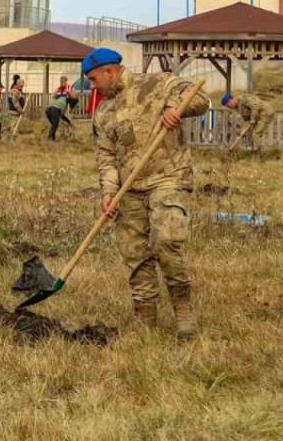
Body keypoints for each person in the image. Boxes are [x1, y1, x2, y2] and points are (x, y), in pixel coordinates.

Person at [85, 47, 209, 338]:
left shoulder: (158, 84)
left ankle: (183, 310)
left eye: (93, 79)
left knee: (166, 241)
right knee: (134, 252)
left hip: (168, 178)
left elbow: (200, 98)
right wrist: (109, 192)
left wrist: (175, 108)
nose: (92, 86)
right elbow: (106, 155)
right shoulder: (103, 112)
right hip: (130, 190)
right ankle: (146, 319)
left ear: (109, 72)